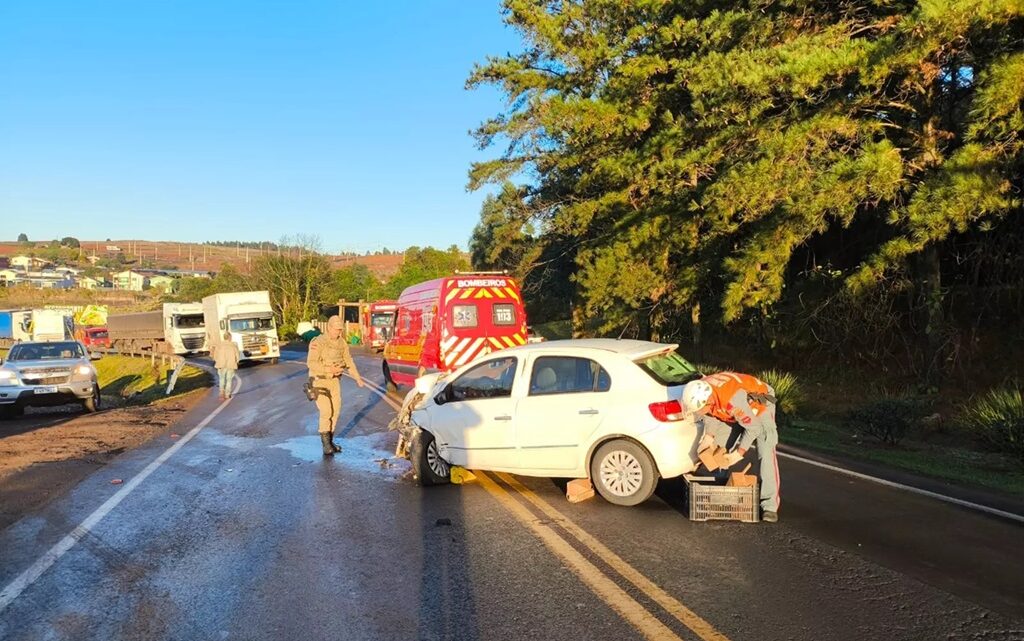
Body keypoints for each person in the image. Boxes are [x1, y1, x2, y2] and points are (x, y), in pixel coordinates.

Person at [682, 371, 781, 522]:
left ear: (707, 401)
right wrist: (709, 436)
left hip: (759, 404)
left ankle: (769, 505)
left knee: (766, 451)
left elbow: (754, 428)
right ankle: (720, 489)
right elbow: (711, 413)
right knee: (720, 447)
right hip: (732, 406)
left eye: (700, 410)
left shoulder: (732, 400)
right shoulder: (704, 386)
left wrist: (739, 453)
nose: (699, 413)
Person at [307, 315, 364, 456]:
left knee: (336, 412)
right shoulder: (318, 342)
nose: (338, 332)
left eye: (340, 330)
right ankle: (326, 445)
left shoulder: (342, 343)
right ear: (329, 327)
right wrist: (329, 370)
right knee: (326, 411)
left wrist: (357, 378)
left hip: (334, 382)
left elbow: (348, 361)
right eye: (336, 329)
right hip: (319, 380)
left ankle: (330, 441)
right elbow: (311, 363)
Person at [210, 332, 240, 400]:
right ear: (229, 337)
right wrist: (236, 362)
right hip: (230, 365)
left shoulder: (219, 345)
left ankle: (221, 393)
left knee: (221, 379)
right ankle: (227, 394)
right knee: (229, 380)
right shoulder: (233, 345)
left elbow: (215, 356)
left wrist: (218, 361)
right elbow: (237, 356)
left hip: (221, 365)